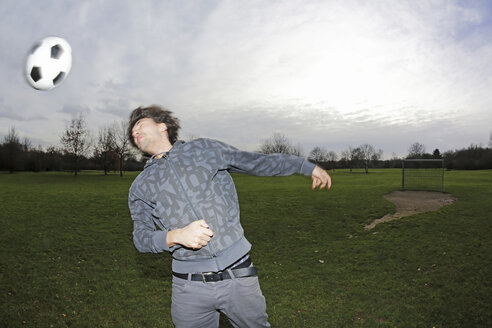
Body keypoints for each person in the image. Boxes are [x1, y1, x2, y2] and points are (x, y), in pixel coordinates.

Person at [127, 105, 331, 328]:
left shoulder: (203, 149)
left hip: (238, 275)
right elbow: (141, 238)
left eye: (139, 124)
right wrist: (176, 236)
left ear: (162, 125)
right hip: (188, 289)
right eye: (132, 132)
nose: (134, 132)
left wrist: (302, 165)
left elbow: (255, 162)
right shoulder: (140, 186)